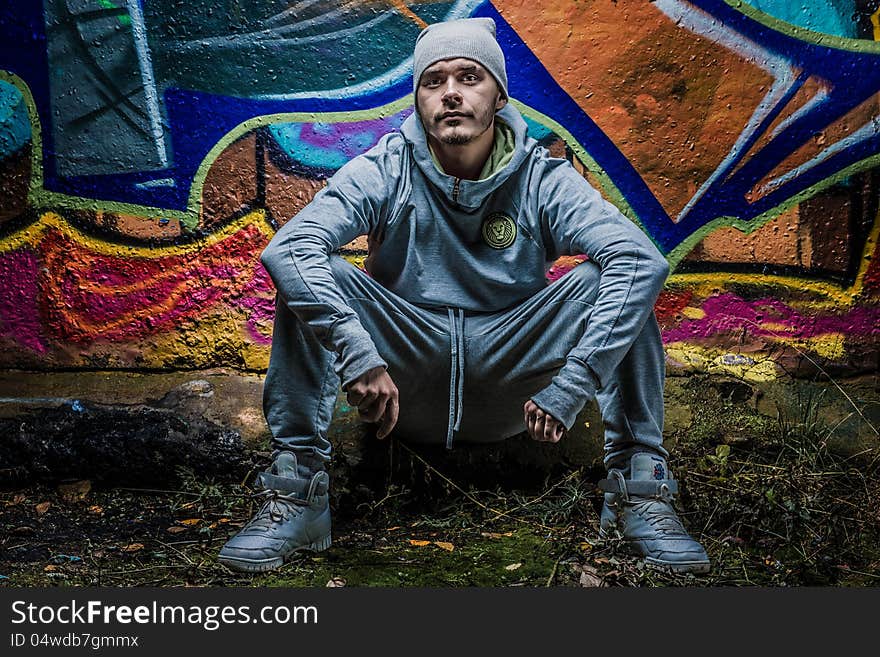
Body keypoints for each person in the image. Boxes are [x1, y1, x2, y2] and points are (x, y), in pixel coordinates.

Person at [218, 17, 710, 575]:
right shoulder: (387, 168)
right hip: (402, 383)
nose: (450, 93)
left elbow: (642, 259)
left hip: (516, 382)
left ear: (498, 94)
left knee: (615, 278)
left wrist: (575, 382)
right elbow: (289, 249)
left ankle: (638, 489)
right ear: (419, 100)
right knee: (311, 268)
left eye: (469, 77)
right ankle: (297, 490)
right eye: (434, 81)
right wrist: (357, 350)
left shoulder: (541, 179)